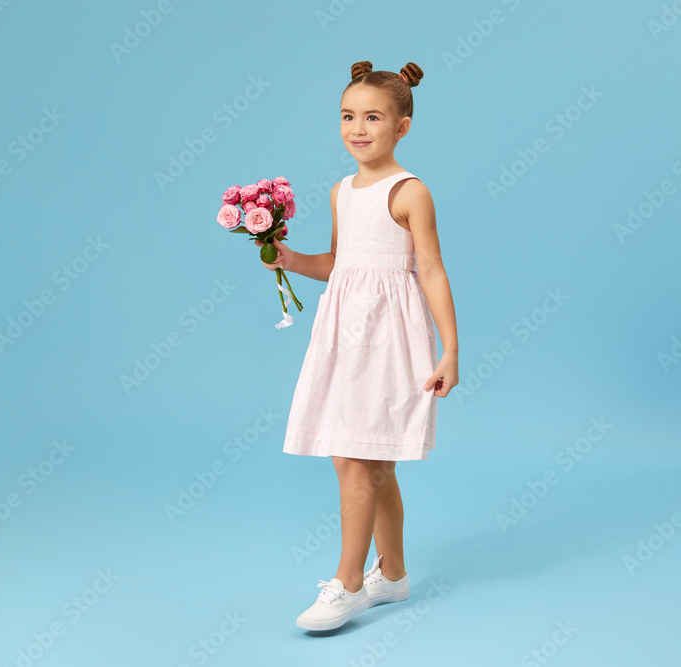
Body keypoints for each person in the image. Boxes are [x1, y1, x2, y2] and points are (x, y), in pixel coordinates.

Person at [254, 60, 459, 632]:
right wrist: (289, 259)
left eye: (373, 117)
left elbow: (432, 271)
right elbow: (341, 264)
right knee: (375, 463)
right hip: (344, 336)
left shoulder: (410, 192)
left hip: (389, 339)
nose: (358, 128)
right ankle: (391, 574)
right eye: (348, 116)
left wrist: (450, 350)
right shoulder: (341, 191)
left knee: (355, 460)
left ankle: (347, 584)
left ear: (403, 126)